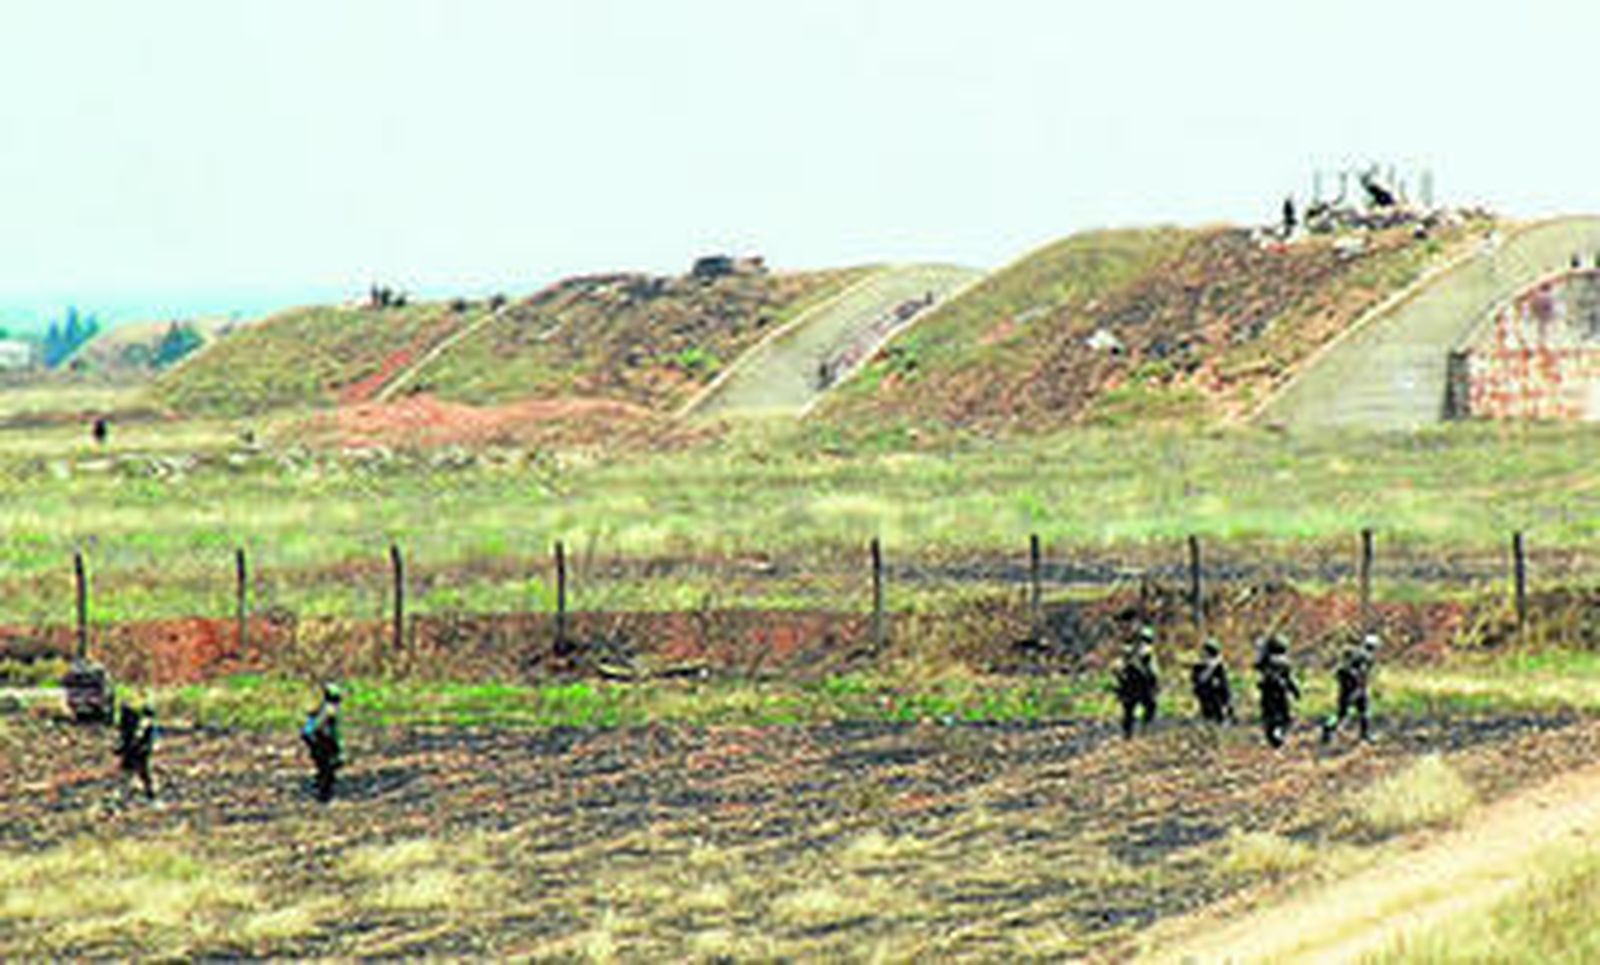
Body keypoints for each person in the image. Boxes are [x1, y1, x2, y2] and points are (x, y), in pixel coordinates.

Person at [1322, 633, 1378, 744]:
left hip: (1346, 689)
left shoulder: (1353, 654)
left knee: (1342, 713)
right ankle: (1365, 735)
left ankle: (1328, 727)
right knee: (1364, 711)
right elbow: (1362, 673)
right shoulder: (1367, 657)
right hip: (1357, 689)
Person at [1255, 634, 1300, 748]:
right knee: (1282, 716)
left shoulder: (1266, 660)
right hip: (1281, 693)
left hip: (1267, 693)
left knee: (1269, 716)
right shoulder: (1284, 662)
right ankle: (1278, 735)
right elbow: (1290, 678)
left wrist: (1261, 649)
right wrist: (1295, 691)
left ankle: (1274, 735)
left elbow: (1257, 666)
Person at [1115, 625, 1160, 738]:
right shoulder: (1147, 651)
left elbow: (1119, 668)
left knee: (1129, 711)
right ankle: (1142, 729)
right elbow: (1154, 672)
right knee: (1149, 706)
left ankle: (1130, 732)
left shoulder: (1130, 649)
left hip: (1131, 685)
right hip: (1142, 685)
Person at [301, 684, 344, 803]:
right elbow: (323, 729)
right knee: (327, 769)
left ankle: (323, 793)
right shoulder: (329, 710)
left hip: (319, 742)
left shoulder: (322, 708)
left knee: (325, 768)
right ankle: (324, 796)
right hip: (323, 743)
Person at [116, 703, 157, 800]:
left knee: (136, 771)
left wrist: (127, 748)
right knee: (143, 772)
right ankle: (147, 791)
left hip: (138, 751)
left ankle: (131, 792)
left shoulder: (143, 724)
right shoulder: (150, 724)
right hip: (143, 750)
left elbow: (137, 737)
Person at [1190, 639, 1234, 724]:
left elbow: (1225, 686)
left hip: (1217, 698)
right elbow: (1197, 680)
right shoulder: (1199, 667)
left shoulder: (1219, 668)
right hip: (1205, 696)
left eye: (1207, 652)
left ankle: (1222, 714)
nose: (1204, 654)